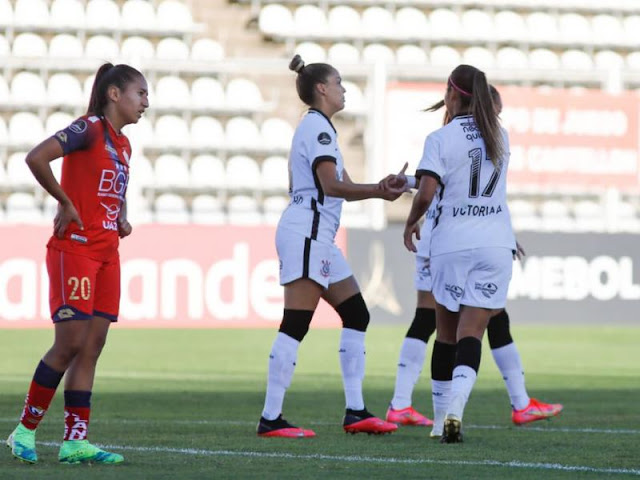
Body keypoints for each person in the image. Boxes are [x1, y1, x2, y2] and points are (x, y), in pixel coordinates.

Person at [386, 86, 562, 436]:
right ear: (483, 103)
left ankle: (491, 406)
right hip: (461, 242)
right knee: (453, 324)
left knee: (457, 326)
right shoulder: (492, 138)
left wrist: (407, 183)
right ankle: (411, 403)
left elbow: (439, 183)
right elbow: (449, 186)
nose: (497, 116)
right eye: (495, 109)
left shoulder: (445, 138)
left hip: (448, 244)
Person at [257, 54, 406, 438]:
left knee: (357, 314)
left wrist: (384, 188)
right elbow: (330, 186)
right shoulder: (318, 130)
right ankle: (271, 418)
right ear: (321, 88)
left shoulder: (321, 129)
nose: (344, 89)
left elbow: (345, 186)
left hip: (318, 235)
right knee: (296, 323)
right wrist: (376, 190)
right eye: (338, 82)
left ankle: (356, 411)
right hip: (307, 231)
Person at [6, 63, 149, 464]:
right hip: (76, 249)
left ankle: (75, 440)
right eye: (140, 93)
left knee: (92, 345)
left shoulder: (123, 144)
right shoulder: (88, 128)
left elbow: (115, 187)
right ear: (114, 94)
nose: (146, 103)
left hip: (107, 254)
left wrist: (121, 215)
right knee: (69, 342)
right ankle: (23, 431)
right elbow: (37, 158)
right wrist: (65, 201)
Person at [402, 64, 518, 443]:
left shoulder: (439, 138)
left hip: (452, 243)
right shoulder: (500, 134)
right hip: (496, 243)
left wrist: (411, 222)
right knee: (474, 333)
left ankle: (439, 422)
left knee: (446, 334)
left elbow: (428, 191)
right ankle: (456, 410)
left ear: (452, 95)